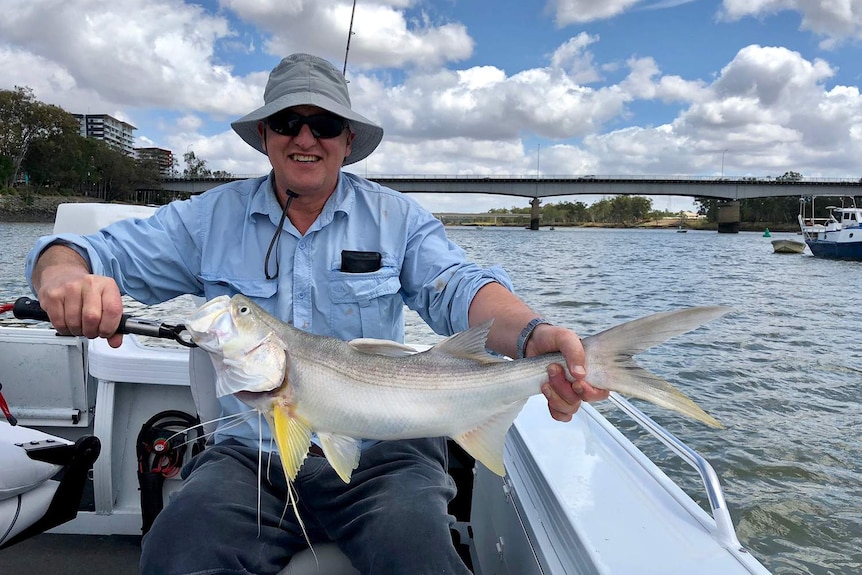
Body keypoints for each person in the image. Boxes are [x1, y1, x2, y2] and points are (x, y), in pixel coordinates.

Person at [26, 53, 608, 575]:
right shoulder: (208, 219)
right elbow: (86, 253)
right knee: (176, 551)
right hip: (249, 456)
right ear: (264, 135)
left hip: (387, 456)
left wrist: (533, 335)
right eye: (287, 122)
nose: (306, 137)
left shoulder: (396, 219)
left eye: (324, 124)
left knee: (421, 555)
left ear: (347, 140)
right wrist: (64, 278)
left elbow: (460, 288)